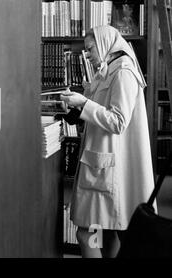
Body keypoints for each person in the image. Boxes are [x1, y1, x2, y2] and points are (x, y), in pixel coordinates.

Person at [60, 25, 155, 258]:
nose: (88, 55)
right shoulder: (110, 69)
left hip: (107, 165)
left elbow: (118, 121)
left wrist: (83, 103)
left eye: (90, 49)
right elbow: (99, 111)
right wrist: (76, 108)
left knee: (86, 233)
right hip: (103, 162)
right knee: (108, 231)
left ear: (105, 44)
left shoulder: (123, 72)